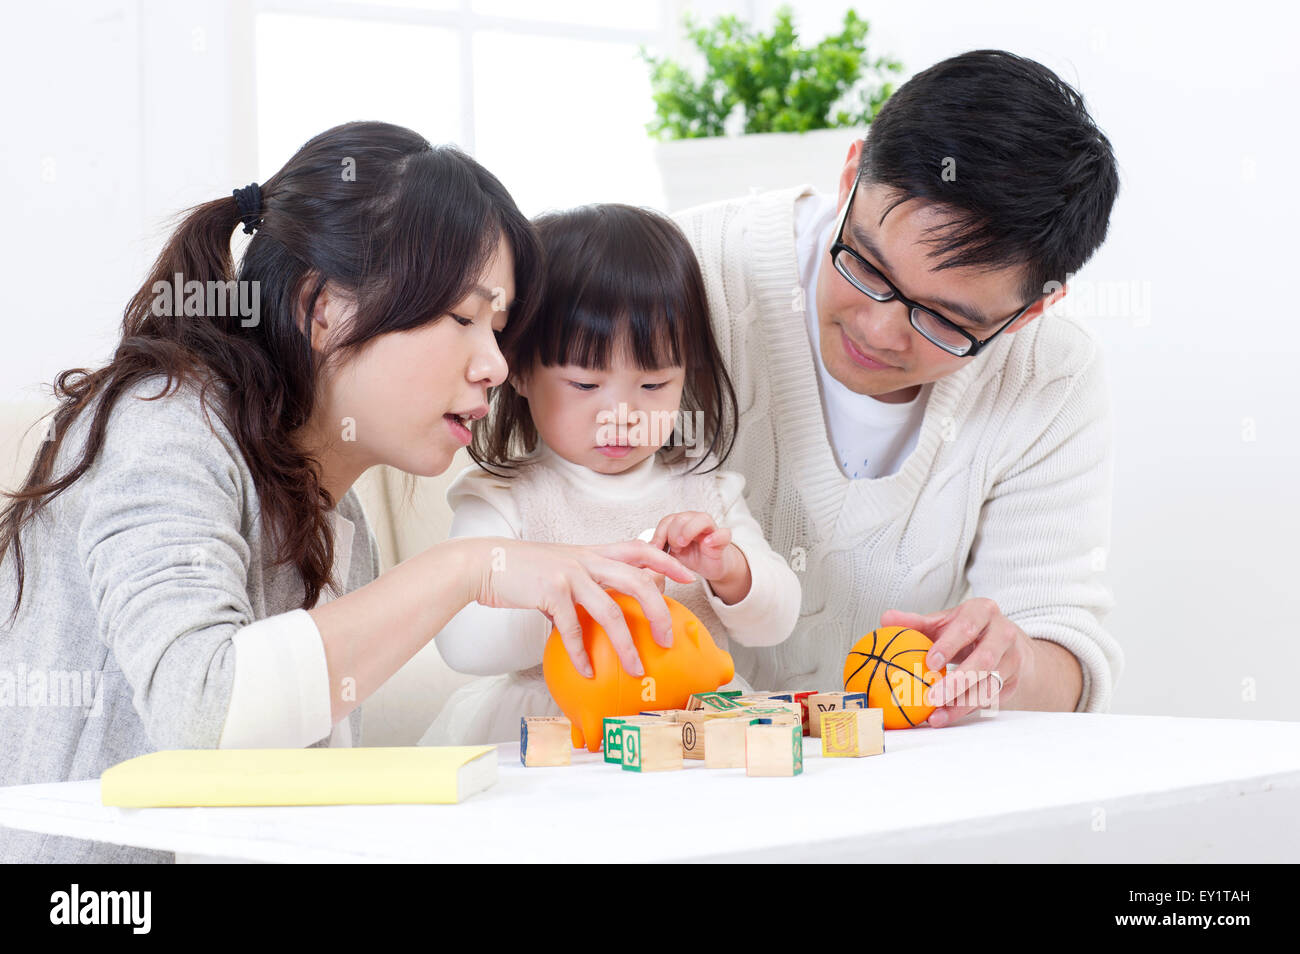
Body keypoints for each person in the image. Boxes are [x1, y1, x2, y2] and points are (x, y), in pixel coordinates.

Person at [0, 122, 692, 863]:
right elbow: (201, 710)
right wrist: (470, 568)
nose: (494, 364)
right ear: (320, 307)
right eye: (462, 317)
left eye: (498, 326)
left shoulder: (335, 507)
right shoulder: (163, 424)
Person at [671, 49, 1125, 725]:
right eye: (867, 265)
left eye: (944, 319)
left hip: (898, 786)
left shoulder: (1048, 374)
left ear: (1030, 312)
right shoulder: (687, 270)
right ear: (851, 175)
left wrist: (1018, 662)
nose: (881, 332)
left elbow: (1063, 652)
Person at [420, 204, 802, 746]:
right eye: (584, 385)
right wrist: (581, 590)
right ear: (522, 370)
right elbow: (466, 645)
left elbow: (777, 621)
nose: (621, 413)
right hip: (553, 730)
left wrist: (729, 571)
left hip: (686, 724)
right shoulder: (505, 497)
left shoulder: (703, 490)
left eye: (653, 386)